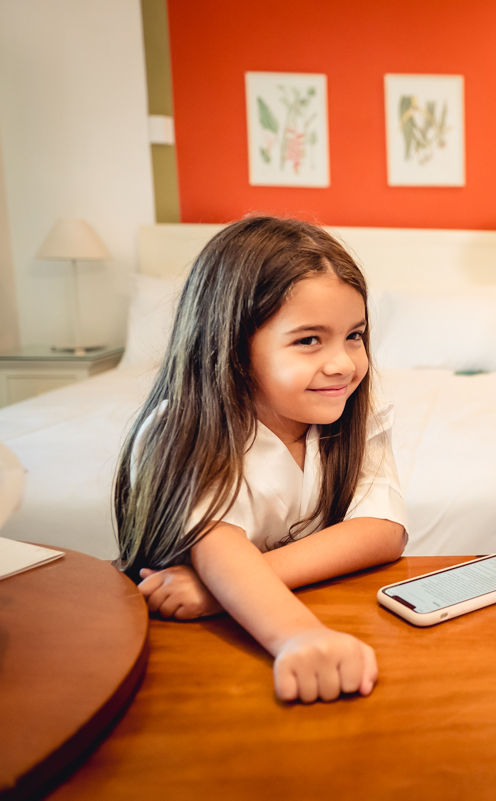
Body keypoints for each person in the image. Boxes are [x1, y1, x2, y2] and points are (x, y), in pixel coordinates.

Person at [113, 216, 407, 703]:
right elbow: (217, 546)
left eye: (354, 335)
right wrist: (297, 635)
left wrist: (216, 593)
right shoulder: (184, 426)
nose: (343, 364)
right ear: (232, 347)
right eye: (308, 340)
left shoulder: (356, 413)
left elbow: (382, 528)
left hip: (295, 614)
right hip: (188, 662)